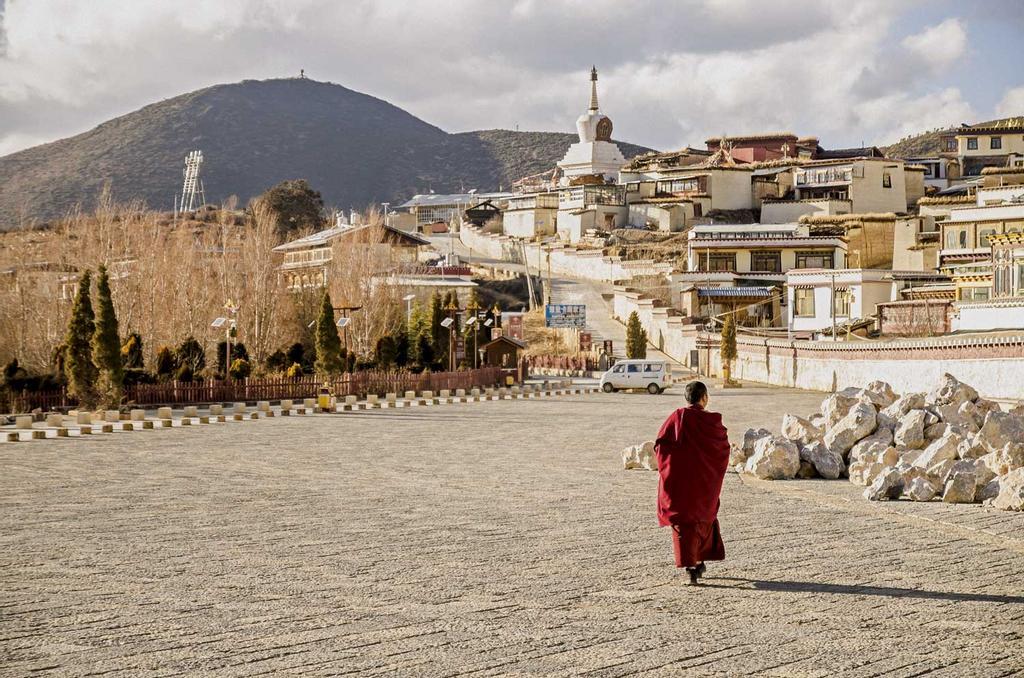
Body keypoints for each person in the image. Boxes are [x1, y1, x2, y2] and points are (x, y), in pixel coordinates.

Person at [654, 380, 731, 585]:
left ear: (687, 398)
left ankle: (691, 566)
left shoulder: (677, 418)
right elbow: (723, 448)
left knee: (684, 524)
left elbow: (661, 447)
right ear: (704, 398)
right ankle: (700, 562)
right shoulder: (712, 423)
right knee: (703, 519)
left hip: (680, 484)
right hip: (704, 483)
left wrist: (671, 468)